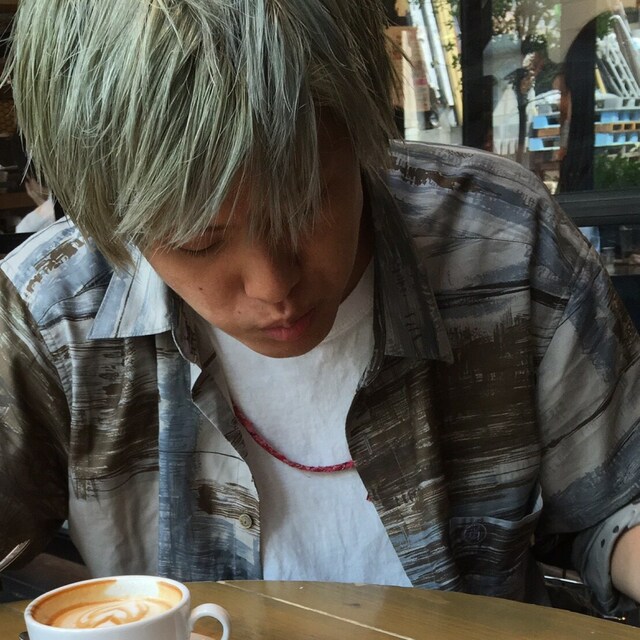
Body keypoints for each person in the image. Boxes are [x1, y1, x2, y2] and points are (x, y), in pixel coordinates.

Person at [2, 0, 640, 619]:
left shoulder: (505, 242)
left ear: (362, 136)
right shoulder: (52, 313)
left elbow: (616, 503)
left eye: (307, 205)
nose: (273, 286)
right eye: (199, 242)